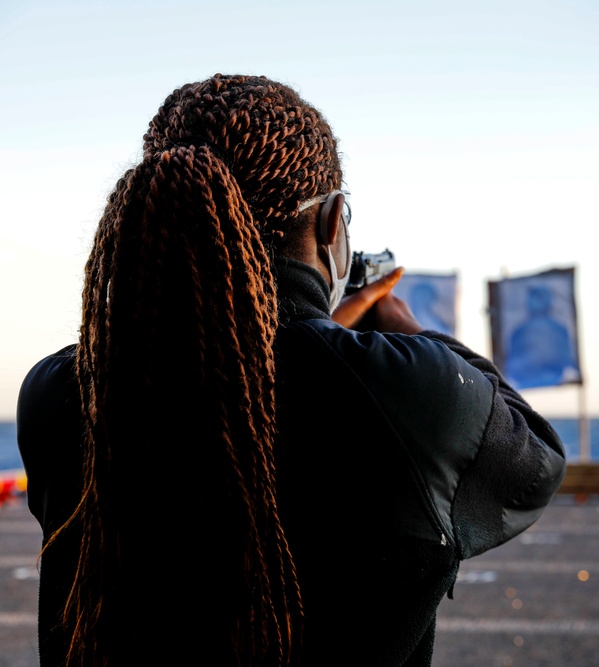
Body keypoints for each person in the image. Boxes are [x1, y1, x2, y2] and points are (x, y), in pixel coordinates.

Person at [16, 74, 566, 666]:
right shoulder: (405, 389)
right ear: (332, 223)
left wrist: (329, 340)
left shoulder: (57, 391)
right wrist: (402, 329)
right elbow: (532, 458)